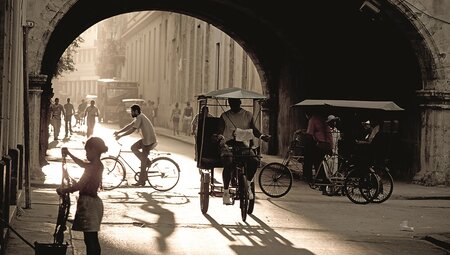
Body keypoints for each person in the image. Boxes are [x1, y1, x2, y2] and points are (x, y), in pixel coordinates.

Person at [56, 137, 108, 255]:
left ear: (94, 150)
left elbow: (79, 185)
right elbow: (82, 164)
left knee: (90, 239)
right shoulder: (98, 165)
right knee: (92, 237)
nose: (86, 154)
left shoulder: (90, 168)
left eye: (87, 151)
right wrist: (69, 154)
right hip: (95, 204)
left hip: (88, 205)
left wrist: (63, 190)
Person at [217, 98, 270, 205]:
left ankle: (248, 184)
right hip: (229, 143)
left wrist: (262, 136)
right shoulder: (224, 116)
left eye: (236, 103)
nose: (233, 105)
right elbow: (220, 130)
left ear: (240, 103)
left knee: (254, 161)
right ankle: (226, 192)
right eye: (231, 103)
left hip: (243, 144)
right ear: (229, 104)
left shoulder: (248, 115)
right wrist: (219, 137)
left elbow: (254, 130)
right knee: (228, 162)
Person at [113, 104, 158, 186]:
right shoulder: (139, 117)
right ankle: (147, 162)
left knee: (143, 162)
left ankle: (142, 180)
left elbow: (132, 130)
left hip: (149, 141)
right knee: (133, 148)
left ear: (136, 111)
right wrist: (119, 132)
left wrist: (121, 136)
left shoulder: (140, 117)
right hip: (145, 140)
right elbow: (129, 126)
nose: (131, 114)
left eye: (132, 112)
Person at [303, 110, 333, 184]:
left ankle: (310, 177)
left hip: (322, 144)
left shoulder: (312, 119)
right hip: (328, 143)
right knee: (317, 160)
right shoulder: (320, 118)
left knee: (308, 157)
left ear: (307, 114)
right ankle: (321, 177)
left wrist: (304, 137)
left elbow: (309, 134)